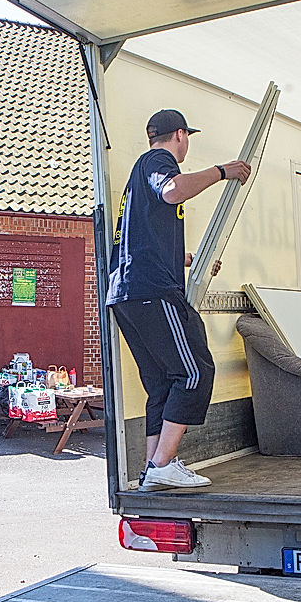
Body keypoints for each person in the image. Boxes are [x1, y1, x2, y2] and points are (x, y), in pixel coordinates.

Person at [106, 109, 251, 491]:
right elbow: (173, 190)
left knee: (163, 383)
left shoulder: (137, 180)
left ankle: (153, 469)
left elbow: (143, 241)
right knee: (195, 371)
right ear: (181, 135)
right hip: (154, 292)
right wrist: (222, 171)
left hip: (128, 294)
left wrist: (192, 261)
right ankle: (162, 465)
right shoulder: (158, 161)